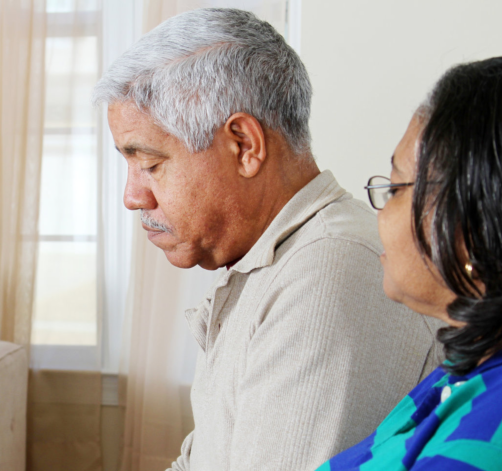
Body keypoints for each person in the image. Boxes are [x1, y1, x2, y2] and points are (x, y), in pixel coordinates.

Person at [93, 8, 443, 470]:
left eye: (151, 163)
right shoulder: (270, 264)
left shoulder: (327, 273)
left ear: (244, 145)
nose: (132, 197)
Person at [317, 50, 502, 470]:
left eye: (396, 187)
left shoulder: (490, 449)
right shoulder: (474, 362)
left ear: (473, 223)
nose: (380, 212)